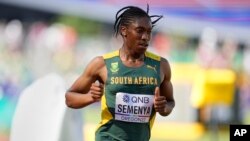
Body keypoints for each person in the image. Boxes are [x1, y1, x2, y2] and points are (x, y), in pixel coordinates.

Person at [65, 5, 175, 141]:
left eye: (149, 31)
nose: (145, 37)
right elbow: (69, 98)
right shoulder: (102, 64)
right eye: (139, 31)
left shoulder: (161, 66)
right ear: (124, 30)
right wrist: (91, 97)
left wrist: (163, 108)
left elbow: (170, 102)